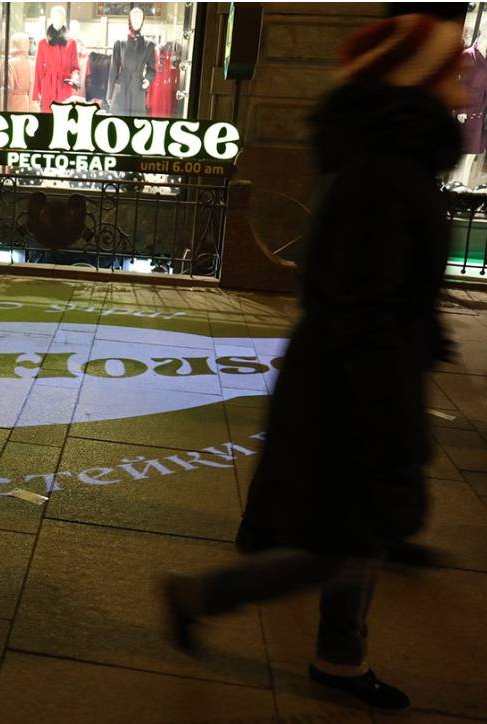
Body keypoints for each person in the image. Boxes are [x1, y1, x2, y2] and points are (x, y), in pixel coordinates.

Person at [163, 4, 467, 713]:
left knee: (358, 531)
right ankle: (206, 598)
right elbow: (362, 299)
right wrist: (388, 392)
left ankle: (337, 652)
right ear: (417, 81)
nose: (465, 85)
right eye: (451, 71)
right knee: (348, 538)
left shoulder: (386, 156)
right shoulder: (386, 170)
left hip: (361, 370)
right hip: (357, 380)